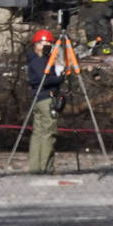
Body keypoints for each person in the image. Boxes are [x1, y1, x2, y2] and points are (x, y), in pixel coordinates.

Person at [27, 29, 64, 174]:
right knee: (48, 133)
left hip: (39, 98)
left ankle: (37, 167)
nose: (47, 45)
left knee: (39, 133)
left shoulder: (41, 60)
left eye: (49, 42)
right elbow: (45, 79)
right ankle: (46, 167)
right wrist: (60, 76)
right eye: (43, 42)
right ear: (36, 44)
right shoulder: (38, 61)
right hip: (45, 99)